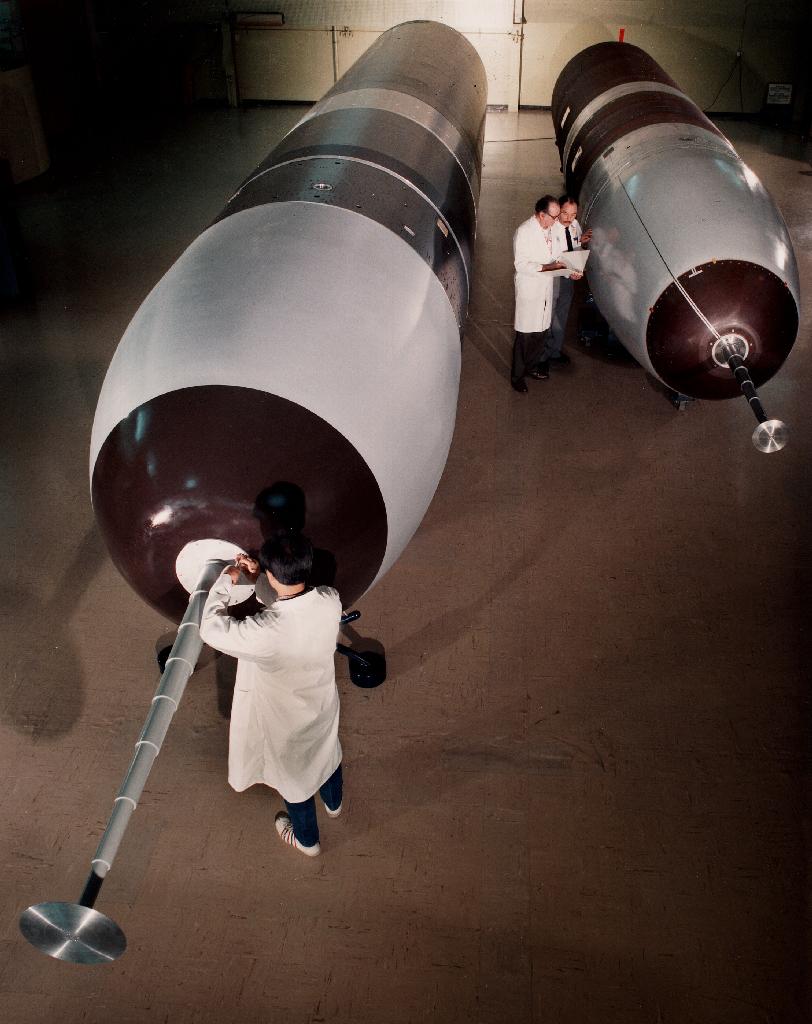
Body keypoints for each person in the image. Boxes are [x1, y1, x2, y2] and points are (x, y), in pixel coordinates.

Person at [199, 532, 343, 858]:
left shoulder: (265, 632)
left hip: (286, 721)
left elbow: (210, 629)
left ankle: (307, 841)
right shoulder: (329, 598)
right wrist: (260, 577)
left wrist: (226, 580)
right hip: (322, 704)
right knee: (328, 754)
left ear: (273, 575)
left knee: (296, 782)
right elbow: (291, 603)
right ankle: (334, 804)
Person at [511, 195, 578, 393]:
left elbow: (559, 256)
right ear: (541, 215)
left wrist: (571, 270)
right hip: (530, 289)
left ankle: (531, 367)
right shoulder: (524, 232)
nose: (557, 220)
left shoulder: (552, 229)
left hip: (546, 289)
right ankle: (517, 376)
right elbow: (521, 265)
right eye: (554, 216)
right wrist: (549, 267)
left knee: (541, 333)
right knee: (525, 336)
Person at [545, 194, 592, 367]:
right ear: (558, 210)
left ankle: (555, 351)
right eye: (565, 213)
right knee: (548, 315)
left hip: (569, 277)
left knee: (562, 314)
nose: (568, 218)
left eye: (573, 214)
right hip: (553, 276)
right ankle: (542, 356)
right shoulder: (551, 228)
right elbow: (552, 255)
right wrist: (570, 270)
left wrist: (580, 241)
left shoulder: (574, 225)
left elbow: (574, 245)